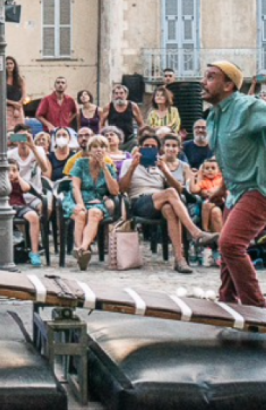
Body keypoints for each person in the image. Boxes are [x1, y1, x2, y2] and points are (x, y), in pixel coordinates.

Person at [203, 60, 266, 306]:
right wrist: (221, 189)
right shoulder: (213, 117)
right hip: (236, 191)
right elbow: (229, 158)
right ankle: (227, 301)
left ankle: (257, 308)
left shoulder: (248, 108)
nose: (203, 82)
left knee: (230, 244)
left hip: (258, 189)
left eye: (210, 77)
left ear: (228, 84)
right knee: (227, 247)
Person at [118, 130, 216, 274]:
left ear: (158, 149)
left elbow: (179, 189)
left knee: (170, 209)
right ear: (140, 148)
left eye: (153, 147)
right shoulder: (128, 163)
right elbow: (122, 188)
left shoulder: (160, 165)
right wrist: (133, 166)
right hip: (139, 201)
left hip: (159, 201)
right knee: (169, 194)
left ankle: (179, 260)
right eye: (146, 146)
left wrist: (164, 170)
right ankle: (195, 233)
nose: (150, 149)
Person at [66, 134, 119, 270]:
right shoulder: (80, 164)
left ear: (106, 150)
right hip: (78, 198)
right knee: (80, 214)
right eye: (95, 146)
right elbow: (75, 186)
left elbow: (114, 191)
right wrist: (80, 204)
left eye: (102, 147)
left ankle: (81, 249)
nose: (98, 150)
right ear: (89, 150)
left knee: (95, 213)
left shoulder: (109, 166)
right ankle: (82, 251)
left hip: (98, 202)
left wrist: (105, 168)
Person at [7, 161, 43, 267]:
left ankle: (35, 252)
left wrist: (18, 177)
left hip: (19, 206)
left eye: (14, 170)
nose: (11, 173)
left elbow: (26, 188)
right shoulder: (0, 181)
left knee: (33, 216)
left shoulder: (19, 181)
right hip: (5, 207)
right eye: (8, 170)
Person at [189, 157, 225, 264]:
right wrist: (193, 176)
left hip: (223, 204)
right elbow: (193, 190)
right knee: (210, 207)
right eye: (207, 168)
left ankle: (219, 247)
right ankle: (208, 232)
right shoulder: (204, 182)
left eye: (213, 168)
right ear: (203, 171)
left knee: (213, 209)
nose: (210, 170)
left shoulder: (221, 179)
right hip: (208, 206)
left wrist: (215, 192)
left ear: (218, 171)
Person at [101, 83, 143, 149]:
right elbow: (101, 124)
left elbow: (141, 124)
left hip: (129, 139)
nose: (119, 95)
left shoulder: (133, 106)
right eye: (116, 93)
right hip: (113, 139)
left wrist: (139, 136)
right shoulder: (108, 107)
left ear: (126, 95)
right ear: (113, 95)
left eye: (121, 93)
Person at [5, 57, 26, 131]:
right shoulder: (2, 80)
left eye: (11, 63)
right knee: (8, 131)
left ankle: (18, 142)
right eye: (7, 64)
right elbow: (1, 98)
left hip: (19, 109)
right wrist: (14, 104)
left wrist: (17, 107)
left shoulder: (20, 79)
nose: (9, 66)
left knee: (20, 131)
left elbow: (24, 95)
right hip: (7, 109)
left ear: (14, 65)